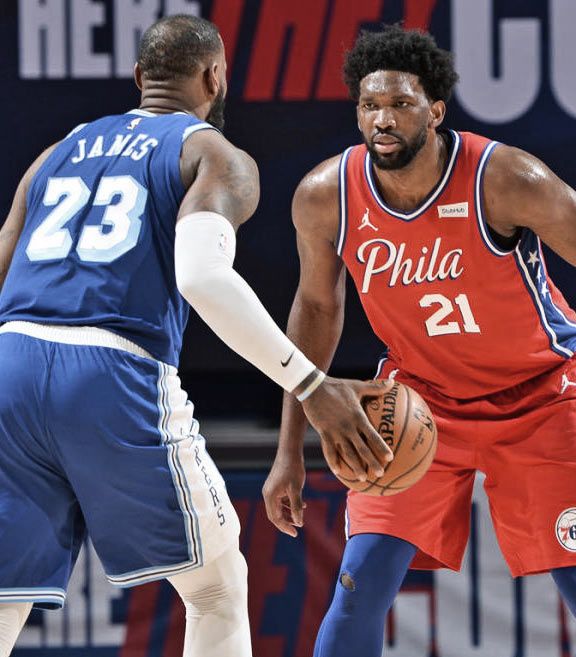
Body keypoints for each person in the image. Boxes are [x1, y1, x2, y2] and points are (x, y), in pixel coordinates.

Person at [0, 14, 395, 657]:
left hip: (10, 362)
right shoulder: (212, 154)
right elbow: (202, 278)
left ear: (139, 77)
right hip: (110, 366)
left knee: (5, 595)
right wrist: (310, 383)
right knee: (214, 587)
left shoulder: (58, 151)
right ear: (215, 78)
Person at [262, 24, 576, 657]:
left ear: (436, 111)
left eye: (400, 103)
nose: (383, 119)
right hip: (421, 403)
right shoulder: (325, 196)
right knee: (359, 586)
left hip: (542, 397)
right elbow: (316, 309)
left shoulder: (506, 178)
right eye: (370, 105)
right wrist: (289, 450)